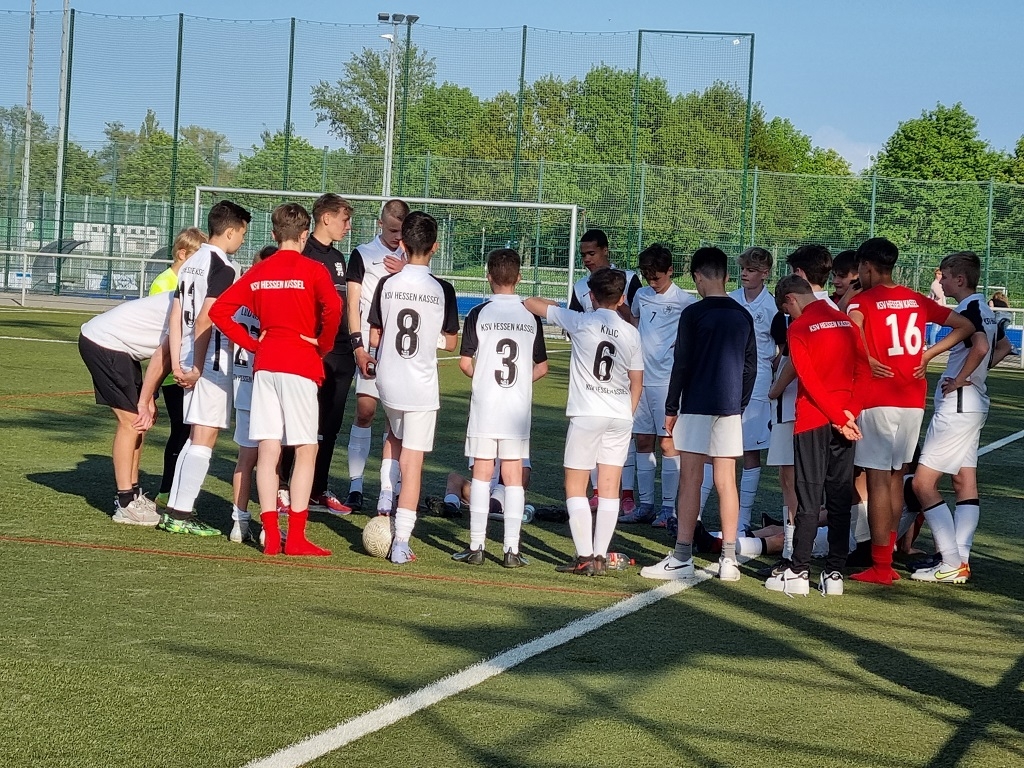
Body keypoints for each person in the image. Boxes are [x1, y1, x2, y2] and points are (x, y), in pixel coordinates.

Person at [210, 203, 342, 557]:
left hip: (266, 364)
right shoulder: (313, 269)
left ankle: (271, 535)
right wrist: (323, 345)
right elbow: (334, 308)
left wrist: (255, 344)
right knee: (306, 449)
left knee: (268, 450)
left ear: (273, 234)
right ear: (304, 235)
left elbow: (220, 311)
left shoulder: (260, 270)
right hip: (300, 361)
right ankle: (295, 537)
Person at [846, 237, 974, 586]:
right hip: (912, 399)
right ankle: (885, 559)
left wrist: (867, 358)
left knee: (877, 480)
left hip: (878, 398)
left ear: (867, 267)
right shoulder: (916, 299)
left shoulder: (863, 301)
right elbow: (965, 326)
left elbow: (851, 329)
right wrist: (928, 354)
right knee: (894, 478)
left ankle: (880, 566)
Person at [640, 247, 756, 582]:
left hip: (696, 405)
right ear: (727, 276)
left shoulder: (693, 313)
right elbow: (750, 367)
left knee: (691, 478)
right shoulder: (742, 314)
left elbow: (682, 363)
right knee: (726, 481)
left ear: (697, 276)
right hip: (729, 408)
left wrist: (670, 407)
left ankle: (682, 556)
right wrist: (739, 404)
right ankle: (729, 559)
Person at [525, 268, 643, 576]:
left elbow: (530, 303)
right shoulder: (631, 332)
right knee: (609, 487)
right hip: (620, 414)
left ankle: (585, 556)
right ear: (622, 299)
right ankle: (600, 556)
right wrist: (628, 413)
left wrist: (553, 305)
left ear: (591, 296)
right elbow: (637, 381)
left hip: (588, 412)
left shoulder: (581, 321)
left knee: (576, 485)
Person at [764, 275, 869, 597]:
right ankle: (834, 573)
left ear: (790, 300)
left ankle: (799, 570)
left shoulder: (799, 328)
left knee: (808, 498)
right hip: (846, 419)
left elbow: (807, 379)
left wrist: (836, 416)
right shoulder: (845, 321)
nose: (790, 316)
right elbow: (864, 371)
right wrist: (848, 414)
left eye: (787, 310)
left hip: (813, 420)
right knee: (839, 498)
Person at [367, 211, 460, 564]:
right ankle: (401, 543)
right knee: (413, 462)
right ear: (435, 247)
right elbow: (451, 343)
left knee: (393, 435)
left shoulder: (386, 284)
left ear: (402, 244)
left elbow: (376, 335)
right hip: (420, 385)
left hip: (388, 379)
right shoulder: (442, 289)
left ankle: (384, 498)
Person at [453, 248, 548, 568]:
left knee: (482, 472)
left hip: (486, 405)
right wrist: (519, 383)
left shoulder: (479, 313)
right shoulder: (530, 315)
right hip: (516, 408)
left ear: (488, 276)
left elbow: (465, 363)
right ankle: (511, 550)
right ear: (518, 277)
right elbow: (542, 367)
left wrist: (483, 378)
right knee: (512, 473)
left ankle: (476, 546)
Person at [162, 200, 250, 536]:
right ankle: (181, 515)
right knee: (204, 438)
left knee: (194, 437)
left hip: (188, 356)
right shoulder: (223, 267)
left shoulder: (190, 262)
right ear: (230, 232)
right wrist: (198, 366)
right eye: (242, 233)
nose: (242, 240)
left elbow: (175, 316)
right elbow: (207, 318)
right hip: (210, 361)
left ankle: (175, 509)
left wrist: (178, 362)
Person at [910, 252, 998, 584]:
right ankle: (961, 557)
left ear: (959, 279)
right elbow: (1002, 347)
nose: (941, 282)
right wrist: (976, 375)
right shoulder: (986, 309)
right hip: (973, 404)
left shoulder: (968, 310)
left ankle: (950, 560)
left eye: (944, 277)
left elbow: (980, 346)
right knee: (964, 481)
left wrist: (961, 378)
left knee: (922, 484)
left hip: (959, 405)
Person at [278, 193, 356, 516]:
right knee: (298, 423)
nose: (348, 227)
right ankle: (284, 486)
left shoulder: (338, 258)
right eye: (344, 220)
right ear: (326, 218)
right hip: (310, 349)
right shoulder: (303, 251)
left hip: (341, 351)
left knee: (330, 425)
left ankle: (317, 488)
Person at [78, 292, 175, 526]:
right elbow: (163, 356)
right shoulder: (195, 304)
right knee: (131, 421)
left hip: (121, 348)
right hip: (104, 342)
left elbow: (166, 358)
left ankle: (133, 494)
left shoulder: (199, 298)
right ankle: (125, 503)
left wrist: (150, 397)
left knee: (140, 422)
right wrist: (146, 398)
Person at [567, 229, 643, 515]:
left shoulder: (630, 279)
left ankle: (627, 493)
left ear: (605, 251)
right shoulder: (580, 286)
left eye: (592, 253)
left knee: (625, 434)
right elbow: (573, 325)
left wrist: (612, 311)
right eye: (583, 255)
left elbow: (636, 320)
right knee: (597, 435)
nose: (587, 259)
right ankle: (599, 491)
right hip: (593, 372)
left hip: (625, 364)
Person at [618, 244, 694, 528]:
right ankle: (645, 505)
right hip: (641, 379)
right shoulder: (641, 295)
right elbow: (636, 321)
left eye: (657, 276)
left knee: (668, 443)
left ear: (670, 271)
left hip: (667, 382)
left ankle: (668, 509)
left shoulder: (685, 301)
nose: (652, 281)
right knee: (643, 440)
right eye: (648, 276)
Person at [345, 199, 410, 514]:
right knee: (365, 411)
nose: (398, 237)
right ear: (380, 224)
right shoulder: (362, 254)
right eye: (393, 230)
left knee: (396, 419)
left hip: (400, 349)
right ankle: (356, 486)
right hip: (370, 346)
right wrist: (358, 346)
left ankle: (391, 488)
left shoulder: (412, 258)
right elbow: (352, 303)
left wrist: (406, 270)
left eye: (402, 231)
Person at [148, 226, 207, 509]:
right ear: (182, 254)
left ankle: (175, 490)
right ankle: (167, 491)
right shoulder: (165, 283)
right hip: (174, 373)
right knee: (181, 431)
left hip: (186, 368)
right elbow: (166, 330)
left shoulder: (188, 280)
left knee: (187, 431)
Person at [225, 244, 276, 544]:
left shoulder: (241, 297)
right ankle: (269, 526)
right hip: (266, 383)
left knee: (245, 457)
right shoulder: (270, 299)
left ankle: (238, 522)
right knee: (271, 458)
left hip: (242, 383)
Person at [725, 246, 776, 535]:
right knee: (719, 448)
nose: (745, 274)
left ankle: (743, 517)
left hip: (758, 383)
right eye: (743, 269)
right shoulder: (730, 300)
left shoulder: (772, 306)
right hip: (729, 377)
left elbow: (781, 348)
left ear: (765, 273)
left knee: (750, 450)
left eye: (751, 270)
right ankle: (699, 515)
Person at [927, 267, 947, 346]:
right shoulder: (935, 284)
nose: (940, 276)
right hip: (936, 307)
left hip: (940, 307)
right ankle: (932, 344)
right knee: (935, 327)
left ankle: (929, 342)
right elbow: (939, 295)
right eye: (938, 274)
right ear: (935, 274)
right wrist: (944, 289)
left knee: (938, 327)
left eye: (941, 274)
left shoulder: (939, 284)